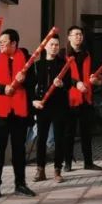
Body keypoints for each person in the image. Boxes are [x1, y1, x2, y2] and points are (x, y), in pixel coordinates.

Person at [0, 28, 38, 197]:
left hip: (19, 111)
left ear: (14, 43)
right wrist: (3, 89)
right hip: (0, 111)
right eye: (0, 42)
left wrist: (24, 80)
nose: (1, 44)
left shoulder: (26, 59)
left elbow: (33, 81)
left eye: (4, 42)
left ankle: (20, 184)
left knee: (19, 149)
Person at [32, 36, 72, 183]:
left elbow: (69, 84)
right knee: (41, 138)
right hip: (43, 106)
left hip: (59, 106)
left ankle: (57, 170)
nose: (54, 47)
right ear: (45, 46)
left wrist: (62, 84)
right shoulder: (37, 65)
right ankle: (40, 169)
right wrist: (34, 101)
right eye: (51, 44)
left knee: (58, 138)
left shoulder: (64, 64)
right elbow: (32, 86)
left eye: (56, 44)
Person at [65, 25, 102, 172]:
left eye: (80, 34)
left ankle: (88, 162)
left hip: (86, 98)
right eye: (75, 34)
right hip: (70, 99)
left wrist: (95, 80)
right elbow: (63, 76)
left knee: (86, 133)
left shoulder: (87, 54)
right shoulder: (64, 55)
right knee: (68, 133)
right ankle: (67, 163)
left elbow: (94, 75)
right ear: (69, 37)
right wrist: (76, 83)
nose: (78, 37)